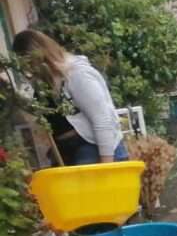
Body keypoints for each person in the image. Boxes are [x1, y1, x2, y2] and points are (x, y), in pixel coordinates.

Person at [12, 29, 129, 165]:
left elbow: (102, 120)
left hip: (93, 148)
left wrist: (106, 165)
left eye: (30, 64)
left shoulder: (77, 75)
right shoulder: (46, 80)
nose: (29, 71)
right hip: (69, 149)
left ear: (40, 55)